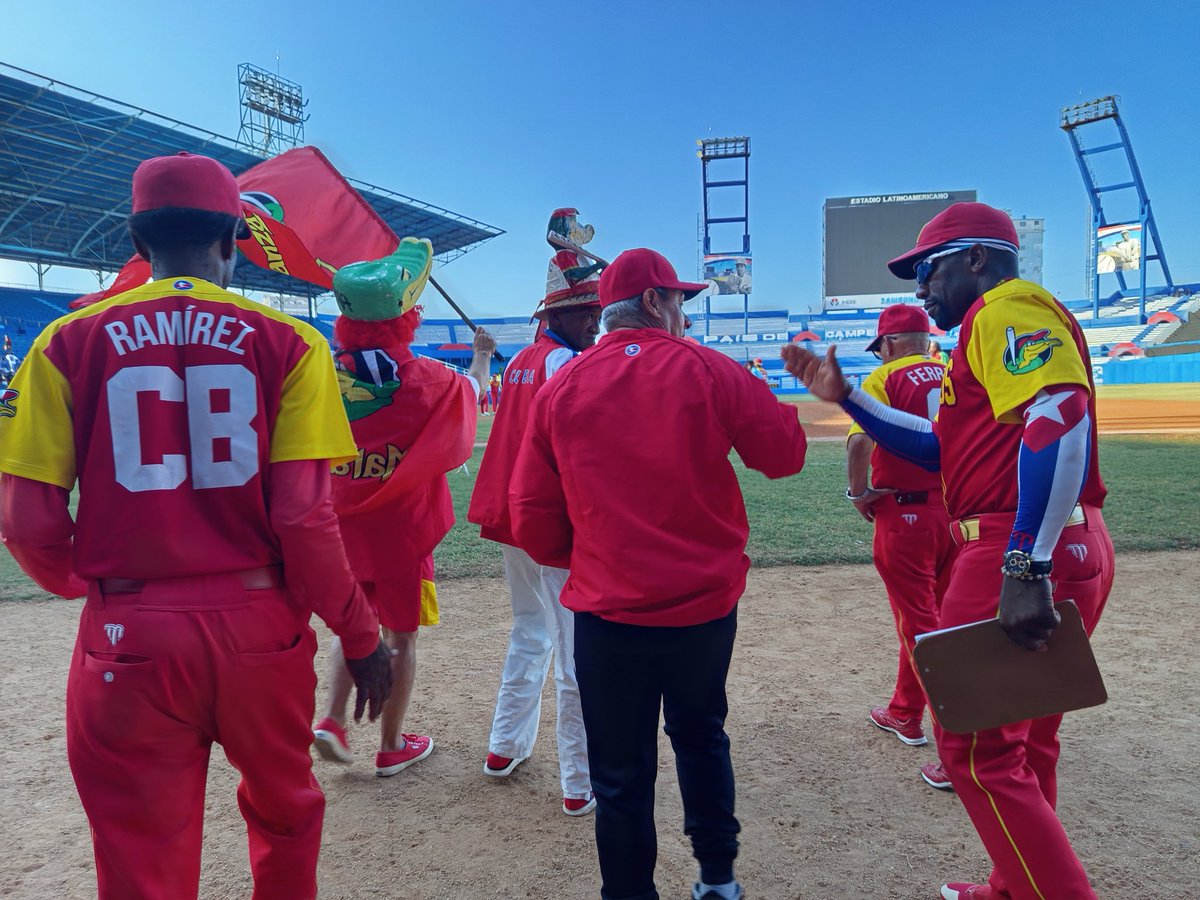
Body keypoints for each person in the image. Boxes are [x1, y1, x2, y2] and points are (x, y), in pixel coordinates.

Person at [0, 152, 393, 900]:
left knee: (140, 856)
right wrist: (362, 632)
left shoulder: (62, 341)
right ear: (233, 240)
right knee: (284, 823)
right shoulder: (294, 343)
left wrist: (102, 587)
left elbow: (24, 518)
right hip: (261, 628)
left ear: (137, 240)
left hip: (128, 633)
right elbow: (306, 520)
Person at [783, 202, 1114, 900]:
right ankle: (1011, 885)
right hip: (1072, 539)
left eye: (926, 271)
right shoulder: (984, 332)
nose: (918, 290)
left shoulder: (1004, 308)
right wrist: (848, 397)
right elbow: (942, 451)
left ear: (974, 259)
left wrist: (1026, 562)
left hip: (1015, 542)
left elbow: (1061, 414)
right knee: (1028, 743)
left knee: (972, 747)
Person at [510, 248, 808, 900]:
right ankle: (719, 882)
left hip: (607, 614)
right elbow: (785, 455)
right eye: (679, 300)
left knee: (619, 774)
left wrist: (599, 555)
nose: (683, 313)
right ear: (654, 302)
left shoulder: (564, 384)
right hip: (701, 610)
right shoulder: (708, 368)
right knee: (701, 737)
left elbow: (532, 520)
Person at [312, 237, 496, 777]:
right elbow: (476, 393)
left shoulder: (319, 376)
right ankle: (392, 745)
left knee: (352, 626)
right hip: (403, 534)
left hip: (339, 530)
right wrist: (482, 355)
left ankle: (332, 719)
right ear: (407, 319)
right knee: (400, 638)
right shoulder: (430, 380)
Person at [466, 251, 603, 817]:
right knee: (576, 652)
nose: (595, 319)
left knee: (530, 631)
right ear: (557, 315)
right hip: (549, 522)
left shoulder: (524, 358)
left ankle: (505, 746)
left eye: (596, 309)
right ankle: (579, 781)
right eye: (584, 310)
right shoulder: (562, 364)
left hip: (510, 513)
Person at [850, 305, 956, 791]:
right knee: (931, 619)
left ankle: (962, 746)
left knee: (921, 627)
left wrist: (858, 493)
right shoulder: (956, 369)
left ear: (888, 345)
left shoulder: (885, 378)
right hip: (958, 515)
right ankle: (903, 712)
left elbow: (859, 444)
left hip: (904, 514)